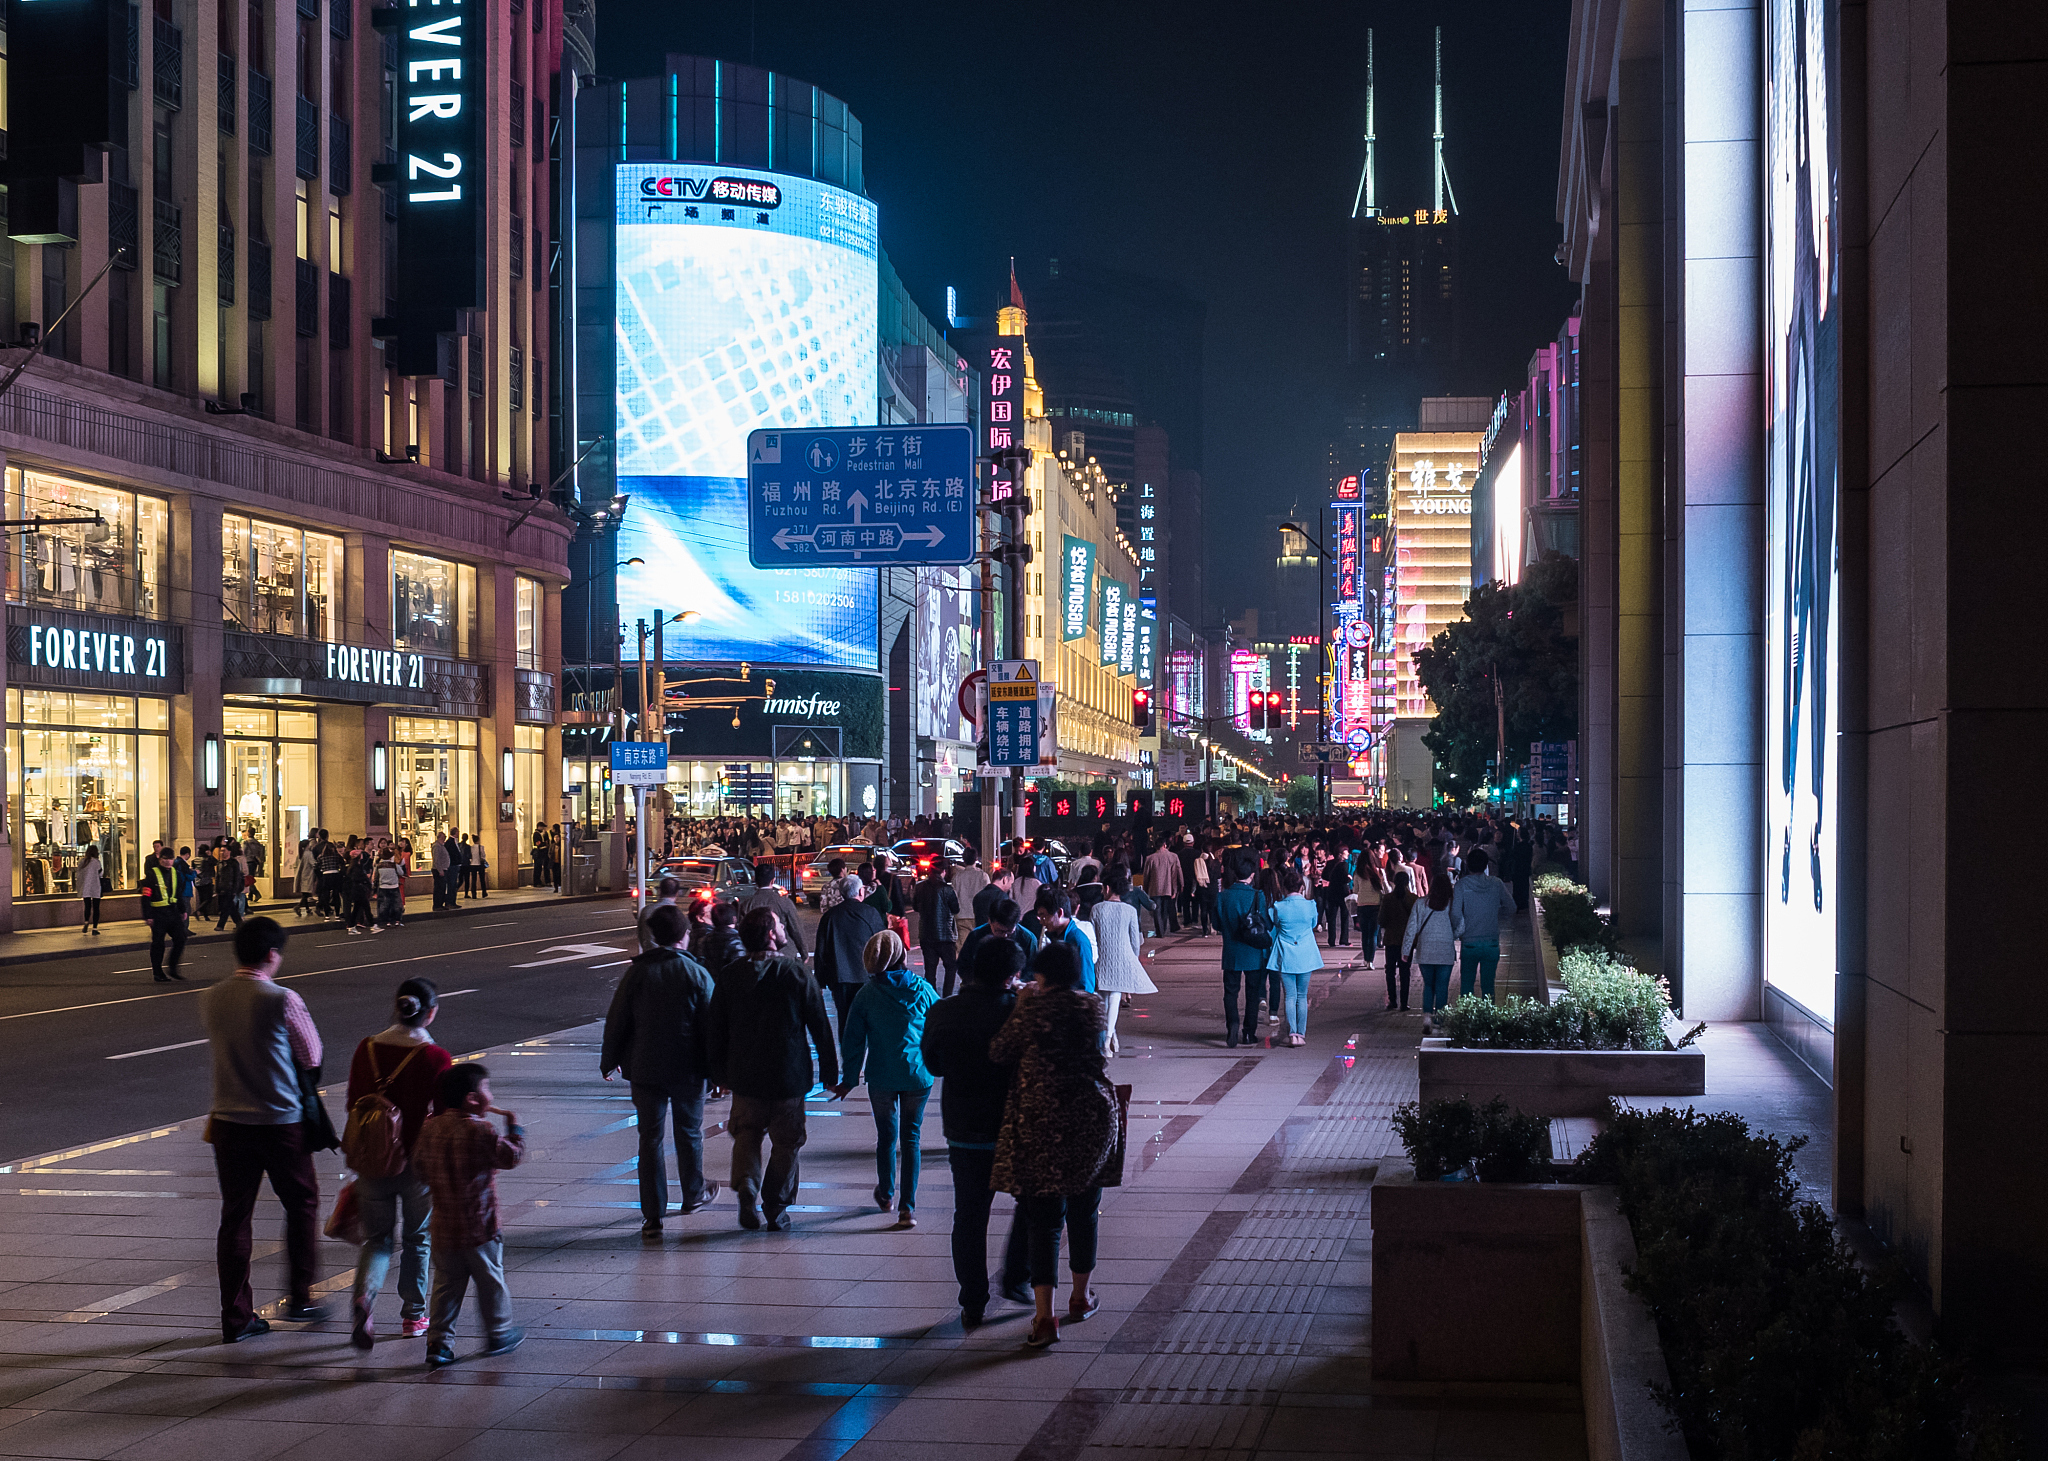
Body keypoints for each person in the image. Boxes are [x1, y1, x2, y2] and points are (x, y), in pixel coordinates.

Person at [199, 917, 327, 1343]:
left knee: (235, 1217)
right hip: (279, 1122)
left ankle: (235, 1317)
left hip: (228, 1122)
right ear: (272, 954)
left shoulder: (212, 997)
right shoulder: (281, 998)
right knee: (302, 1203)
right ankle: (300, 1295)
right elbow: (311, 1057)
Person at [990, 941, 1118, 1350]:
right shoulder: (1091, 1005)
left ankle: (1045, 1318)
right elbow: (1099, 1054)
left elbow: (999, 1051)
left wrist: (1022, 1003)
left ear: (1042, 975)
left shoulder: (1031, 1007)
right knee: (1084, 1212)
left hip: (1039, 1122)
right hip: (1088, 1120)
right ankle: (1080, 1298)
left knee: (1043, 1221)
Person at [706, 907, 840, 1231]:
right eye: (780, 924)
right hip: (788, 1075)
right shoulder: (796, 973)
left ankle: (746, 1185)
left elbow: (714, 1028)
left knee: (747, 1135)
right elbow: (819, 1025)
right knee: (788, 1143)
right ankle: (776, 1206)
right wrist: (830, 1073)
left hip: (745, 1075)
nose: (783, 929)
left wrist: (717, 1075)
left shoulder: (730, 974)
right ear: (770, 934)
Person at [922, 937, 1032, 1327]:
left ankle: (972, 1299)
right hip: (1015, 1128)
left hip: (964, 1129)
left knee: (969, 1216)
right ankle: (1017, 1275)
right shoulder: (1021, 1010)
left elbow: (933, 1065)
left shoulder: (943, 1010)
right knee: (1034, 1205)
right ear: (1012, 976)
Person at [346, 978, 454, 1349]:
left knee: (376, 1239)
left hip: (373, 1160)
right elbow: (442, 1115)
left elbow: (353, 1103)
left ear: (396, 1006)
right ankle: (413, 1316)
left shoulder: (367, 1048)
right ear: (431, 1012)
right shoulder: (435, 1057)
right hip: (416, 1164)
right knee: (416, 1239)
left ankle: (365, 1297)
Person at [602, 903, 721, 1237]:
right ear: (684, 936)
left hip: (645, 1068)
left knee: (649, 1138)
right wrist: (718, 1071)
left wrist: (608, 1059)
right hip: (688, 1068)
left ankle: (652, 1212)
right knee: (689, 1132)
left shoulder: (637, 973)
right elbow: (711, 1025)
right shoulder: (696, 973)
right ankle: (693, 1194)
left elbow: (618, 1019)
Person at [411, 1064, 526, 1366]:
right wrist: (515, 1128)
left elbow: (420, 1170)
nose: (491, 1094)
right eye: (487, 1088)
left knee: (446, 1284)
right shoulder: (481, 1129)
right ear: (473, 1099)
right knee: (490, 1281)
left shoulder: (429, 1127)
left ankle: (439, 1343)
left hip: (443, 1226)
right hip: (480, 1226)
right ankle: (498, 1333)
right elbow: (510, 1157)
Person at [833, 929, 938, 1228]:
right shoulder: (922, 989)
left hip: (881, 1075)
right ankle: (908, 1209)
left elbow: (853, 1040)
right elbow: (939, 1023)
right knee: (911, 1139)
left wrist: (849, 1078)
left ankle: (886, 1194)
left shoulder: (866, 995)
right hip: (918, 1075)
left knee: (886, 1138)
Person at [1088, 868, 1156, 1054]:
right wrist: (1132, 961)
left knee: (1103, 1000)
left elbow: (1093, 937)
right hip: (1122, 959)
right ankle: (1110, 1037)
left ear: (1107, 888)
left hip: (1102, 958)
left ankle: (1107, 1037)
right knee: (1115, 998)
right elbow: (1135, 941)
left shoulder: (1097, 909)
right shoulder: (1130, 911)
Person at [816, 874, 885, 1039]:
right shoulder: (870, 913)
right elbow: (883, 943)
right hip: (867, 976)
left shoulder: (830, 916)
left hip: (840, 978)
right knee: (869, 1019)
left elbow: (821, 951)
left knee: (845, 1020)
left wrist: (820, 981)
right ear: (861, 891)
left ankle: (849, 1058)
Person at [1215, 856, 1274, 1047]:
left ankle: (1232, 1024)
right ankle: (1249, 1032)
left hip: (1231, 951)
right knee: (1253, 993)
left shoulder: (1223, 896)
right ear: (1252, 875)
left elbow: (1217, 924)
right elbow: (1264, 922)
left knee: (1230, 991)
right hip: (1252, 951)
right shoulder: (1258, 896)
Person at [1449, 847, 1519, 1000]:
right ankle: (1487, 1021)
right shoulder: (1496, 883)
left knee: (1467, 985)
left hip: (1469, 943)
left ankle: (1467, 1019)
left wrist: (1459, 929)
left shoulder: (1461, 885)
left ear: (1467, 864)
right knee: (1488, 987)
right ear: (1486, 865)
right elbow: (1512, 907)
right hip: (1491, 942)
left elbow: (1455, 913)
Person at [1270, 867, 1324, 1047]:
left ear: (1284, 888)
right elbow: (1313, 924)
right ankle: (1301, 1033)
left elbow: (1276, 925)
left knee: (1290, 996)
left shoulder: (1278, 907)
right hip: (1306, 954)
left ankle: (1292, 1032)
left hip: (1285, 954)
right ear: (1301, 887)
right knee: (1303, 995)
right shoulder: (1310, 905)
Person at [1402, 875, 1459, 1026]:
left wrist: (1405, 950)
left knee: (1428, 984)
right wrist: (1451, 935)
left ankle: (1427, 1015)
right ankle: (1440, 1019)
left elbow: (1411, 928)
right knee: (1442, 986)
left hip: (1425, 949)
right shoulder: (1452, 903)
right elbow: (1461, 925)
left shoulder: (1420, 903)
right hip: (1445, 950)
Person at [733, 862, 809, 959]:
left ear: (755, 880)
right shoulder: (784, 902)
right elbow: (796, 928)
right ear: (773, 881)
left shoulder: (746, 904)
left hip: (757, 955)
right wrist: (804, 952)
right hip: (785, 954)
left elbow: (741, 932)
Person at [912, 861, 962, 995]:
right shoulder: (947, 889)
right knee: (951, 967)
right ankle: (947, 996)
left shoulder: (920, 887)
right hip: (945, 935)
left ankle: (931, 996)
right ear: (943, 871)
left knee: (929, 969)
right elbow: (956, 909)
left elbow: (915, 907)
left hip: (926, 934)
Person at [1035, 888, 1096, 994]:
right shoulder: (1056, 937)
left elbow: (1086, 985)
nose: (1041, 922)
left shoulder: (1078, 941)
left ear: (1059, 912)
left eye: (1044, 915)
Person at [143, 845, 189, 982]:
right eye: (165, 859)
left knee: (181, 938)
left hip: (173, 912)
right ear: (160, 859)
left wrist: (183, 910)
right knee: (158, 944)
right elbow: (146, 896)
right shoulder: (152, 874)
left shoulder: (175, 873)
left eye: (170, 859)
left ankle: (173, 968)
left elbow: (178, 893)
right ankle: (158, 972)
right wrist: (148, 915)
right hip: (158, 914)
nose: (168, 861)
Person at [1379, 867, 1419, 1011]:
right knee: (1405, 971)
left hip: (1391, 939)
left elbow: (1381, 920)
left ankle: (1392, 1001)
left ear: (1394, 882)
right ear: (1408, 882)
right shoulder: (1413, 899)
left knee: (1390, 970)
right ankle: (1404, 1003)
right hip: (1407, 941)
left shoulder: (1388, 899)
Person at [1141, 836, 1182, 935]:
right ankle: (1163, 928)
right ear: (1165, 845)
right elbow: (1178, 873)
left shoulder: (1150, 858)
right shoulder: (1173, 856)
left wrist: (1145, 888)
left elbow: (1146, 875)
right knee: (1165, 909)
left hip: (1154, 888)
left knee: (1157, 909)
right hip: (1168, 888)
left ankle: (1160, 930)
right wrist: (1179, 886)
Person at [636, 876, 683, 952]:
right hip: (670, 956)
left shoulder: (646, 910)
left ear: (660, 891)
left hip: (649, 955)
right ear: (677, 893)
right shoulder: (678, 913)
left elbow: (641, 936)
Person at [951, 850, 991, 919]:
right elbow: (988, 895)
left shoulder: (957, 877)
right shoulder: (983, 876)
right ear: (976, 859)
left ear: (964, 860)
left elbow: (953, 896)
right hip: (979, 915)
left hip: (961, 915)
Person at [373, 845, 406, 929]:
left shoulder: (379, 866)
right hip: (394, 886)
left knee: (384, 904)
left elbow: (376, 876)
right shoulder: (394, 865)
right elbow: (401, 873)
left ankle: (386, 921)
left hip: (383, 887)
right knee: (396, 904)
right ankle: (396, 920)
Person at [78, 843, 104, 934]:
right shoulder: (96, 862)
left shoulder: (83, 862)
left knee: (87, 906)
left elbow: (79, 874)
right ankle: (94, 929)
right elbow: (100, 874)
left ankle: (86, 922)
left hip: (85, 888)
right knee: (96, 908)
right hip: (96, 887)